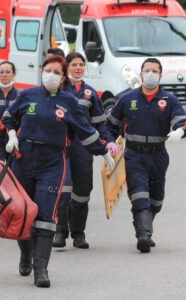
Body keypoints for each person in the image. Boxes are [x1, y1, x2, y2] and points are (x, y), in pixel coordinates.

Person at [2, 56, 115, 288]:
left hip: (52, 163)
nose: (51, 75)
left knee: (45, 214)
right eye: (48, 70)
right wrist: (12, 136)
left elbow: (85, 130)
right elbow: (8, 117)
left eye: (56, 72)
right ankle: (26, 253)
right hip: (23, 161)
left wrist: (103, 151)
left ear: (63, 77)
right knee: (23, 214)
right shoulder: (27, 95)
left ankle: (40, 269)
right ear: (42, 71)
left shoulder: (69, 102)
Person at [106, 58, 186, 253]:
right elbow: (109, 125)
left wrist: (179, 131)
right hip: (134, 154)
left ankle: (144, 226)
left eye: (155, 71)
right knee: (139, 193)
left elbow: (182, 121)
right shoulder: (128, 99)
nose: (150, 74)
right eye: (147, 70)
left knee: (156, 199)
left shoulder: (169, 99)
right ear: (141, 74)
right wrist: (110, 142)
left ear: (161, 75)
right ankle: (144, 235)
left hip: (158, 155)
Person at [53, 52, 121, 249]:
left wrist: (108, 142)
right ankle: (60, 231)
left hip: (83, 150)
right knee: (64, 190)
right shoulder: (57, 91)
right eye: (74, 64)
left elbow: (100, 125)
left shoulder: (90, 94)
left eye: (81, 64)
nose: (78, 68)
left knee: (82, 193)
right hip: (61, 148)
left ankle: (79, 234)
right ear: (67, 67)